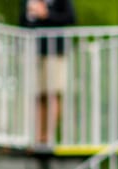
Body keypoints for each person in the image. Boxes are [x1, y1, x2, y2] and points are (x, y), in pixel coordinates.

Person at [21, 0, 76, 145]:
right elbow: (22, 23)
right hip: (34, 51)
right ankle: (38, 136)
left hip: (55, 51)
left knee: (53, 92)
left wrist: (46, 14)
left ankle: (48, 136)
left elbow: (70, 18)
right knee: (38, 94)